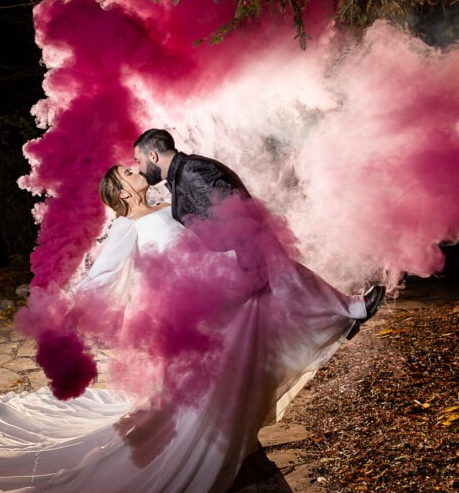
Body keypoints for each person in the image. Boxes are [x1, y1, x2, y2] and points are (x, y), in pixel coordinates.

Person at [0, 161, 385, 493]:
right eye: (129, 173)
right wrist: (67, 314)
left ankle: (340, 316)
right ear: (122, 191)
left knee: (268, 301)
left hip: (215, 296)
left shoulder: (169, 206)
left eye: (136, 167)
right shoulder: (126, 226)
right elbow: (102, 279)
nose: (138, 172)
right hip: (195, 315)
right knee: (217, 379)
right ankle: (225, 433)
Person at [133, 128, 384, 338]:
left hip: (244, 248)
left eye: (139, 161)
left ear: (153, 155)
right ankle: (345, 319)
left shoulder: (191, 171)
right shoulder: (182, 174)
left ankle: (352, 312)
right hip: (235, 254)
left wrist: (245, 257)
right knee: (279, 303)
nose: (139, 168)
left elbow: (231, 209)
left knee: (292, 284)